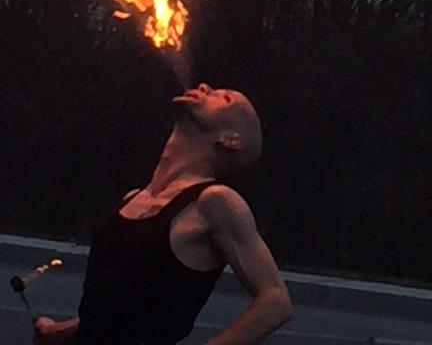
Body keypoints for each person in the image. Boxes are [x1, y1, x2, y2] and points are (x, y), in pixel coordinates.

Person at [33, 82, 293, 345]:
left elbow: (275, 301)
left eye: (224, 98)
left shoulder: (214, 202)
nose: (204, 87)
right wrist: (62, 332)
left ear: (230, 138)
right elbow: (121, 307)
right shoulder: (133, 198)